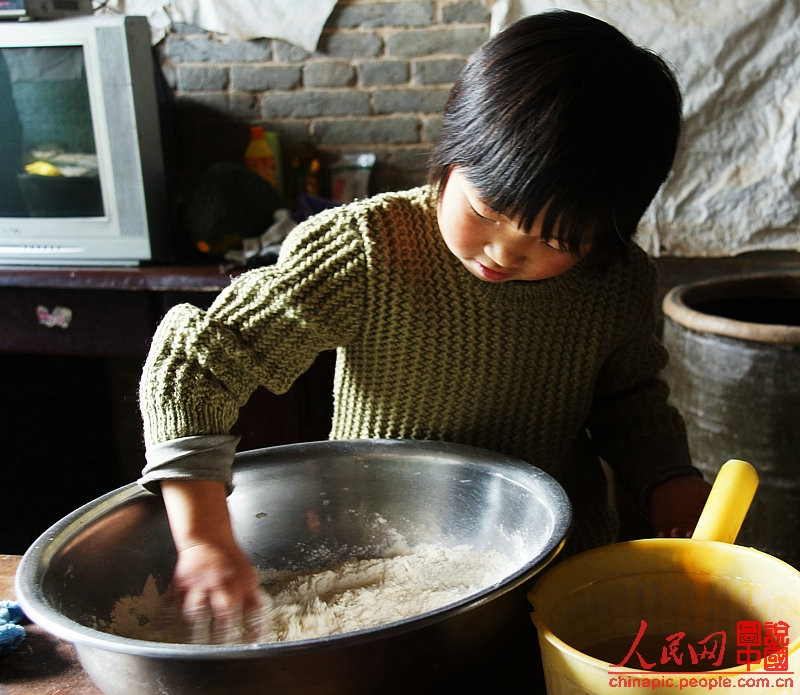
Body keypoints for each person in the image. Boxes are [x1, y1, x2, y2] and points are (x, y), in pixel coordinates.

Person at [138, 10, 711, 636]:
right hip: (372, 572)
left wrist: (668, 478)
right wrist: (202, 540)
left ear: (609, 229)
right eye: (487, 209)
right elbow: (193, 364)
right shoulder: (367, 252)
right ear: (451, 152)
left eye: (553, 239)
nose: (504, 250)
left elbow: (630, 403)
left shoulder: (616, 281)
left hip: (549, 574)